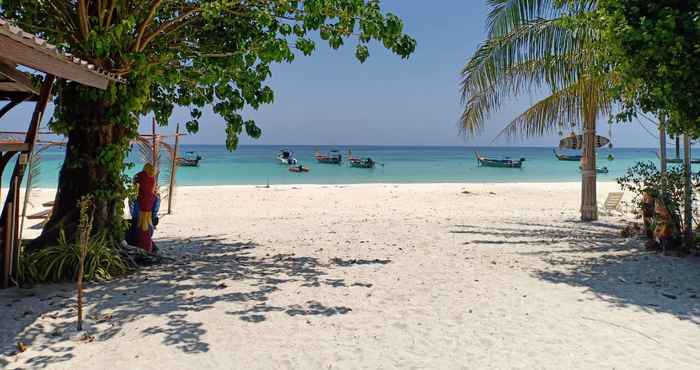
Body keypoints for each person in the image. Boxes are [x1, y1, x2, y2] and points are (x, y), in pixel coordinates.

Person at [134, 163, 156, 252]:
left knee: (140, 224)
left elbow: (134, 186)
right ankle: (148, 246)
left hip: (141, 202)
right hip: (150, 201)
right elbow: (152, 190)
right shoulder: (153, 177)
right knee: (147, 223)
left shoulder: (139, 175)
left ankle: (142, 246)